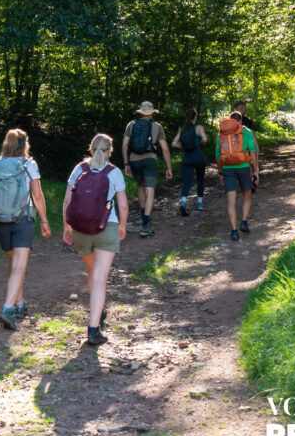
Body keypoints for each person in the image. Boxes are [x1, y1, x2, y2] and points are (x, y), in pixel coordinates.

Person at [0, 128, 51, 330]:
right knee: (19, 265)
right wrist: (44, 220)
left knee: (12, 263)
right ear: (25, 145)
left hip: (1, 220)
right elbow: (37, 195)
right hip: (23, 220)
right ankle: (8, 308)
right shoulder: (29, 164)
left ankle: (19, 303)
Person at [63, 133, 128, 346]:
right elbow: (123, 205)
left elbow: (67, 200)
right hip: (106, 227)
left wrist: (67, 226)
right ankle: (93, 329)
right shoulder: (114, 172)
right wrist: (122, 226)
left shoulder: (79, 169)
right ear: (110, 152)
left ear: (91, 150)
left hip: (80, 229)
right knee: (100, 277)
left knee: (92, 271)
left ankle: (98, 311)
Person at [121, 100, 172, 237]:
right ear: (151, 113)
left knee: (141, 185)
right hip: (150, 160)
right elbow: (165, 149)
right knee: (150, 189)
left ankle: (143, 214)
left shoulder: (131, 125)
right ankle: (146, 224)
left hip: (134, 160)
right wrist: (169, 167)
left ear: (141, 112)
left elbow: (125, 145)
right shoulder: (157, 126)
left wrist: (126, 164)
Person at [216, 110, 259, 241]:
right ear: (241, 121)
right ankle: (244, 222)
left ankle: (234, 231)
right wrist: (255, 170)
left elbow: (218, 156)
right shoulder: (246, 132)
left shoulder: (222, 133)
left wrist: (220, 172)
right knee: (247, 195)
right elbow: (253, 151)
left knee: (231, 201)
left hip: (228, 169)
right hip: (244, 168)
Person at [171, 108, 208, 214]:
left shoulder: (183, 129)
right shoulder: (199, 127)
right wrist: (199, 144)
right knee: (200, 179)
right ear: (195, 116)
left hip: (187, 157)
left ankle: (183, 202)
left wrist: (183, 146)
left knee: (187, 181)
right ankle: (200, 203)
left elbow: (173, 143)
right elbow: (204, 139)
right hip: (198, 156)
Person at [233, 99, 260, 190]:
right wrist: (256, 145)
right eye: (243, 108)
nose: (245, 110)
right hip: (246, 146)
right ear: (239, 108)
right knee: (249, 164)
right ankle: (250, 183)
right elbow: (252, 134)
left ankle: (245, 183)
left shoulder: (229, 121)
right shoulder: (246, 120)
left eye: (245, 108)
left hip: (233, 148)